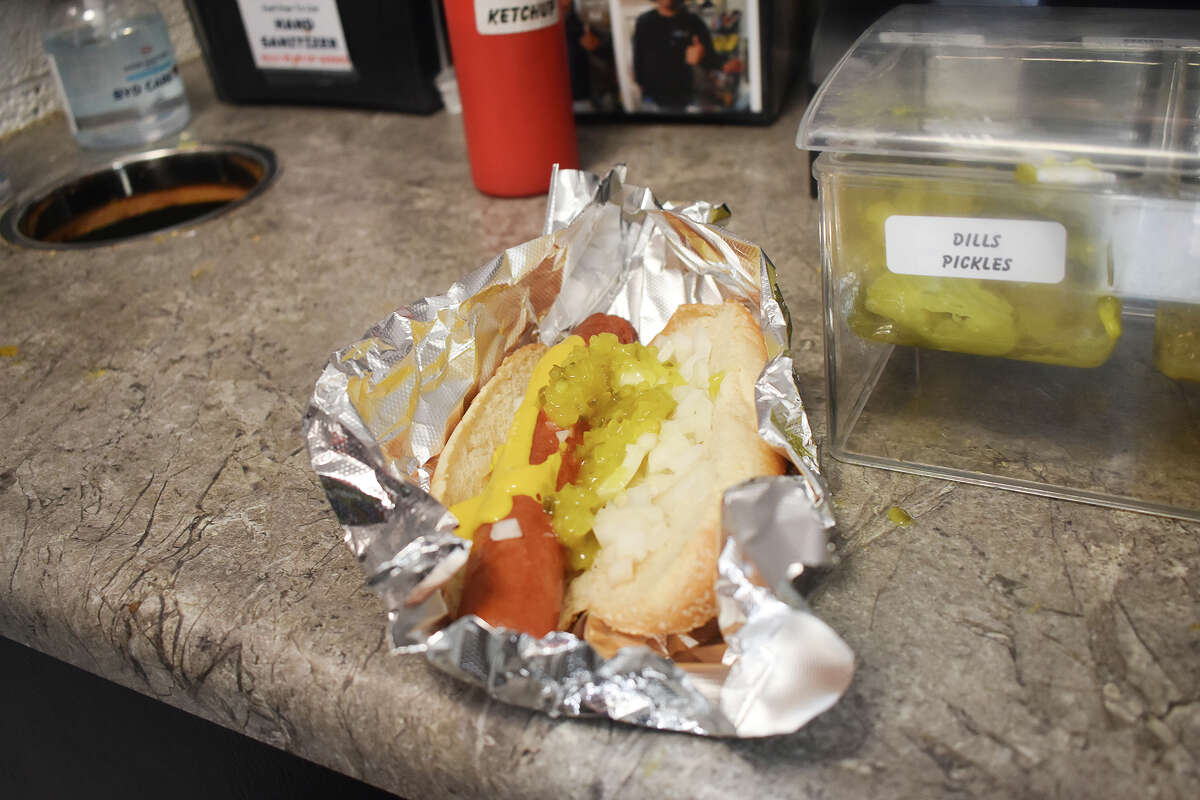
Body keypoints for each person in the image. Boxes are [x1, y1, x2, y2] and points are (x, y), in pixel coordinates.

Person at [632, 0, 721, 111]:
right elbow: (637, 59)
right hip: (652, 98)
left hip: (685, 97)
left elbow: (713, 62)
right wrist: (639, 84)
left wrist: (701, 56)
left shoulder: (694, 22)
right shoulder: (644, 22)